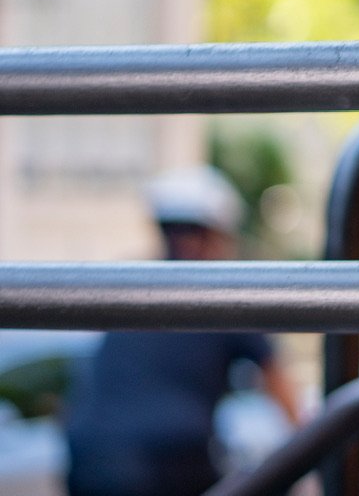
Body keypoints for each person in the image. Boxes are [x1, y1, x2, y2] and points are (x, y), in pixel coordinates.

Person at [61, 167, 300, 496]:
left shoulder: (129, 284)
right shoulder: (224, 293)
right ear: (215, 234)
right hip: (171, 459)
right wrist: (313, 448)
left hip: (88, 455)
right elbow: (279, 385)